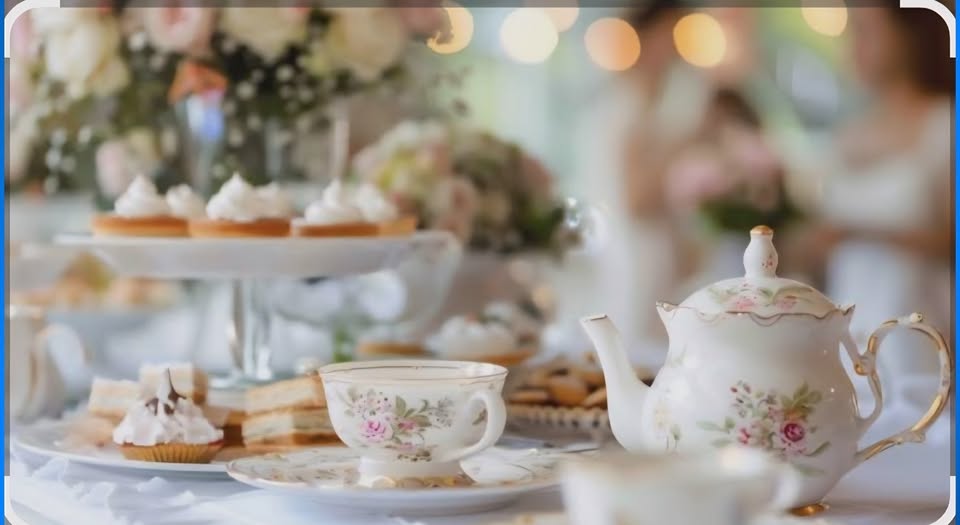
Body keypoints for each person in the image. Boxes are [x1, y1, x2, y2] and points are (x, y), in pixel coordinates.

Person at [799, 2, 953, 385]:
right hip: (848, 317)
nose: (854, 47)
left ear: (907, 35)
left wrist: (858, 233)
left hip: (917, 322)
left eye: (866, 31)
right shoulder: (849, 131)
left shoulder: (943, 123)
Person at [563, 2, 710, 364]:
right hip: (638, 251)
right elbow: (636, 198)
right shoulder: (629, 103)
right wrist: (688, 141)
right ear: (646, 37)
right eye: (671, 34)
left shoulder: (661, 102)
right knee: (638, 352)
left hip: (657, 248)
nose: (678, 48)